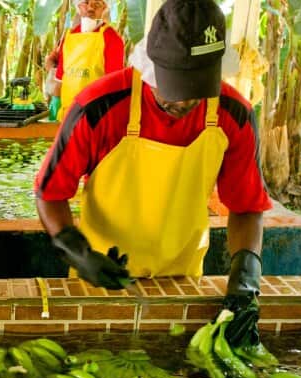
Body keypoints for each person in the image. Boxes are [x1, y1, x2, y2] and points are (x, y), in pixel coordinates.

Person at [34, 0, 272, 349]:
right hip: (100, 279)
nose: (185, 103)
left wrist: (246, 279)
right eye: (174, 89)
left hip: (182, 277)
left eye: (197, 89)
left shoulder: (234, 113)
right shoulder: (99, 107)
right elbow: (50, 192)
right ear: (150, 66)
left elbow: (248, 204)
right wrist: (75, 250)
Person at [47, 0, 125, 112]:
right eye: (86, 2)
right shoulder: (69, 37)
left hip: (94, 114)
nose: (90, 8)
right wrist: (56, 101)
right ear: (78, 6)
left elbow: (113, 85)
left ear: (105, 8)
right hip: (67, 113)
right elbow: (60, 79)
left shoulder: (112, 39)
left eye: (97, 4)